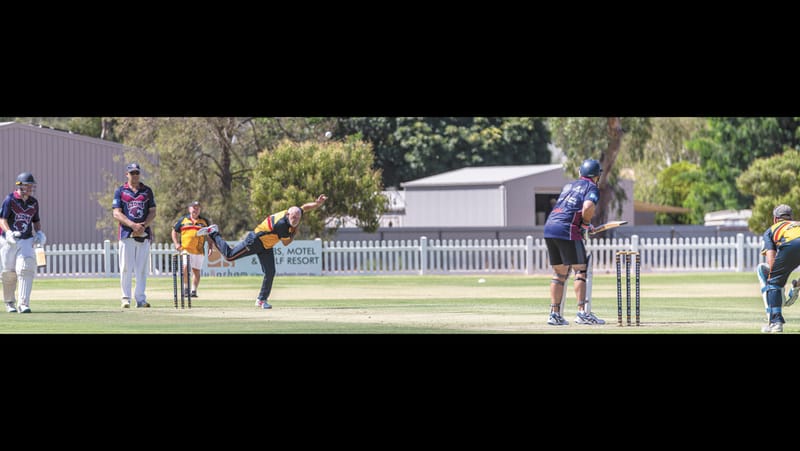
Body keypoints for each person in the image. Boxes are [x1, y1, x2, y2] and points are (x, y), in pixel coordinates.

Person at [196, 194, 328, 309]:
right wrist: (294, 232)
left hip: (266, 245)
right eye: (293, 218)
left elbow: (304, 207)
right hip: (255, 241)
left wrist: (317, 204)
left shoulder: (294, 212)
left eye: (298, 218)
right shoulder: (282, 224)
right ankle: (214, 233)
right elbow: (286, 243)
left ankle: (261, 300)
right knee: (229, 256)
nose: (295, 220)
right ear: (288, 214)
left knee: (270, 272)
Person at [542, 159, 606, 326]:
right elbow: (587, 207)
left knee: (559, 274)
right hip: (567, 230)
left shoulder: (568, 186)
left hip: (550, 227)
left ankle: (554, 315)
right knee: (580, 270)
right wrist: (584, 224)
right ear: (597, 176)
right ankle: (582, 313)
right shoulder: (592, 187)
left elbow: (571, 209)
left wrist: (584, 223)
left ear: (580, 173)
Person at [112, 163, 156, 308]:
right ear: (127, 174)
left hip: (144, 233)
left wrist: (143, 226)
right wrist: (132, 225)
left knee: (142, 269)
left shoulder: (147, 191)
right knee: (125, 267)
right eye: (132, 173)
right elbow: (116, 212)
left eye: (137, 172)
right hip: (126, 234)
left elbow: (153, 211)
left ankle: (141, 299)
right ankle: (125, 298)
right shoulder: (120, 191)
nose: (135, 175)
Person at [0, 172, 45, 313]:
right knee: (9, 273)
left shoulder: (33, 202)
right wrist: (8, 233)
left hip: (26, 238)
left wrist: (39, 233)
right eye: (28, 185)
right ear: (19, 186)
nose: (31, 188)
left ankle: (23, 303)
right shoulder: (10, 200)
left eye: (32, 185)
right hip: (9, 240)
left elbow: (36, 221)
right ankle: (9, 302)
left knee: (26, 267)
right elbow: (2, 220)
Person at [756, 204, 800, 333]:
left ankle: (776, 322)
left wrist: (773, 280)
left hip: (791, 245)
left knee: (773, 282)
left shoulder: (772, 229)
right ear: (791, 218)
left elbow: (771, 260)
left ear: (775, 219)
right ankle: (797, 284)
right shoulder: (797, 224)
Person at [171, 200, 211, 298]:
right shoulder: (183, 220)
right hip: (185, 249)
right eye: (194, 208)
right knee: (185, 267)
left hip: (199, 250)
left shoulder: (204, 222)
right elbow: (174, 231)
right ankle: (185, 288)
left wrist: (210, 246)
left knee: (196, 271)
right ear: (189, 209)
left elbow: (209, 235)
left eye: (197, 208)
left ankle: (193, 290)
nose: (195, 210)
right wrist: (176, 243)